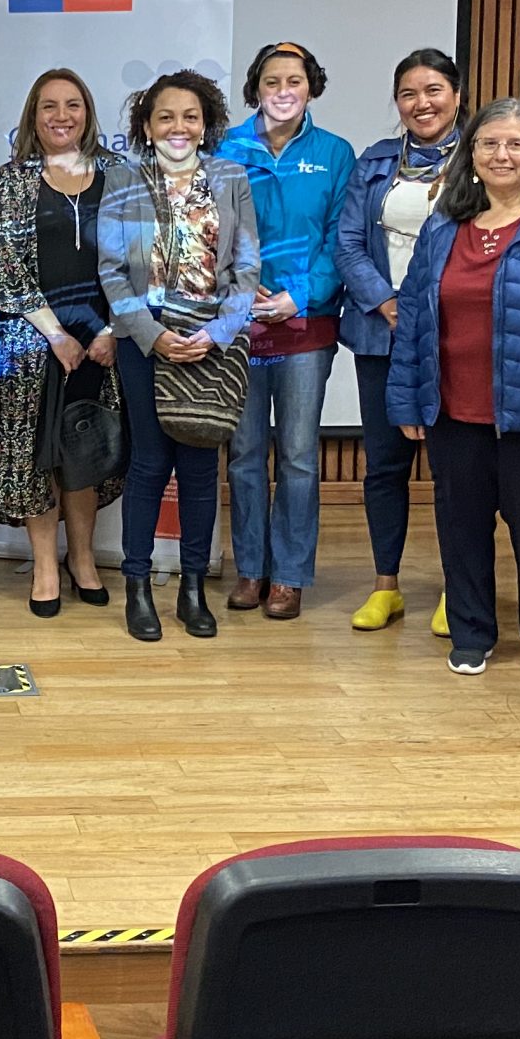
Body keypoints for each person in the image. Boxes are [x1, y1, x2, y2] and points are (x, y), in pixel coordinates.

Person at [385, 98, 520, 677]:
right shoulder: (443, 225)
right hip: (452, 407)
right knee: (460, 526)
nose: (501, 154)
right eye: (488, 144)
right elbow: (415, 314)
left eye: (516, 144)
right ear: (471, 155)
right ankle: (472, 631)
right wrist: (405, 397)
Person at [98, 69, 259, 645]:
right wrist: (149, 333)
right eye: (166, 116)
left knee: (197, 468)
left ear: (206, 123)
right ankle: (138, 586)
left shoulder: (231, 177)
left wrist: (219, 333)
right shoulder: (121, 180)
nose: (178, 126)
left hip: (211, 340)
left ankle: (193, 589)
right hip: (147, 340)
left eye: (190, 116)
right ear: (147, 125)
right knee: (147, 464)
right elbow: (112, 271)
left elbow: (246, 267)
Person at [214, 41, 354, 621]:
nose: (283, 90)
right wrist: (240, 295)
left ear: (311, 87)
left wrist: (300, 295)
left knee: (296, 454)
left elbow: (340, 237)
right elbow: (208, 231)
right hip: (240, 324)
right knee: (244, 452)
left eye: (294, 80)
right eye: (272, 81)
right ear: (256, 90)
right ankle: (251, 569)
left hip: (304, 325)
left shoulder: (335, 153)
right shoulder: (227, 149)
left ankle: (290, 576)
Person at [0, 70, 125, 617]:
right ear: (33, 116)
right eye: (49, 106)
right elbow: (7, 264)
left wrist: (111, 330)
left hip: (103, 339)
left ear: (88, 113)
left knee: (85, 451)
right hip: (33, 339)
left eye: (72, 105)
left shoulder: (117, 174)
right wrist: (56, 334)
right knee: (38, 455)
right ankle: (45, 564)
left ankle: (83, 558)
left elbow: (138, 258)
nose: (61, 116)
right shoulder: (14, 179)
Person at [335, 47, 464, 636]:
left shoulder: (479, 158)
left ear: (456, 96)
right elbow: (348, 245)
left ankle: (454, 587)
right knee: (384, 465)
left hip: (452, 336)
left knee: (453, 469)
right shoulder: (375, 161)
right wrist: (387, 303)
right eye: (409, 93)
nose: (422, 103)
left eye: (434, 90)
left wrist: (426, 309)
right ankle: (386, 587)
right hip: (380, 332)